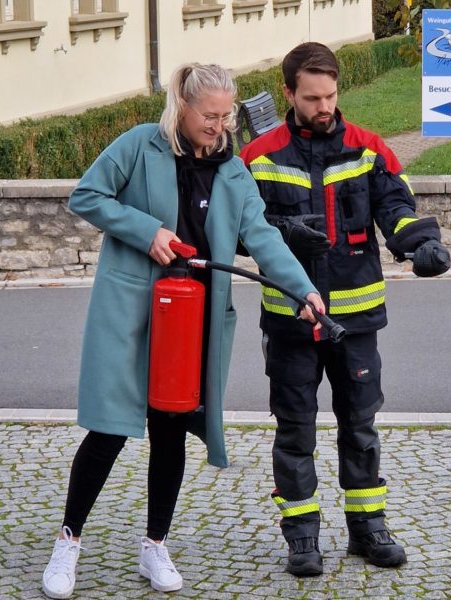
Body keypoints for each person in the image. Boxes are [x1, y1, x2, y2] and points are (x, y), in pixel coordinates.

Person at [41, 62, 325, 598]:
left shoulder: (233, 171)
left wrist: (303, 291)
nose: (219, 126)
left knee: (169, 431)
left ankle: (154, 545)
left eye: (226, 116)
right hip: (133, 312)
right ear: (183, 105)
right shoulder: (139, 146)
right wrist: (147, 230)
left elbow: (262, 239)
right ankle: (68, 541)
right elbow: (88, 196)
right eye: (209, 115)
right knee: (107, 431)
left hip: (193, 321)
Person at [239, 42, 451, 577]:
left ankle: (368, 529)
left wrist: (418, 243)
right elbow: (240, 227)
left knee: (360, 426)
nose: (324, 106)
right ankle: (303, 539)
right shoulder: (259, 156)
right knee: (296, 431)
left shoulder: (369, 149)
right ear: (288, 93)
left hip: (356, 321)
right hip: (292, 321)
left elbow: (396, 207)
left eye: (331, 95)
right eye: (312, 98)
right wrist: (283, 232)